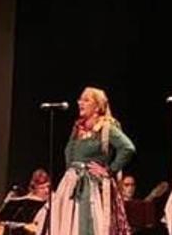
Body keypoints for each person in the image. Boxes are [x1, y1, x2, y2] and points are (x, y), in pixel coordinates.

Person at [51, 86, 137, 235]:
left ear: (97, 107)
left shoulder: (106, 127)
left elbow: (128, 148)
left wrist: (109, 170)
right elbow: (68, 155)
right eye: (80, 99)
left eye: (86, 100)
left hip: (91, 187)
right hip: (71, 185)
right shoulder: (78, 128)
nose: (80, 103)